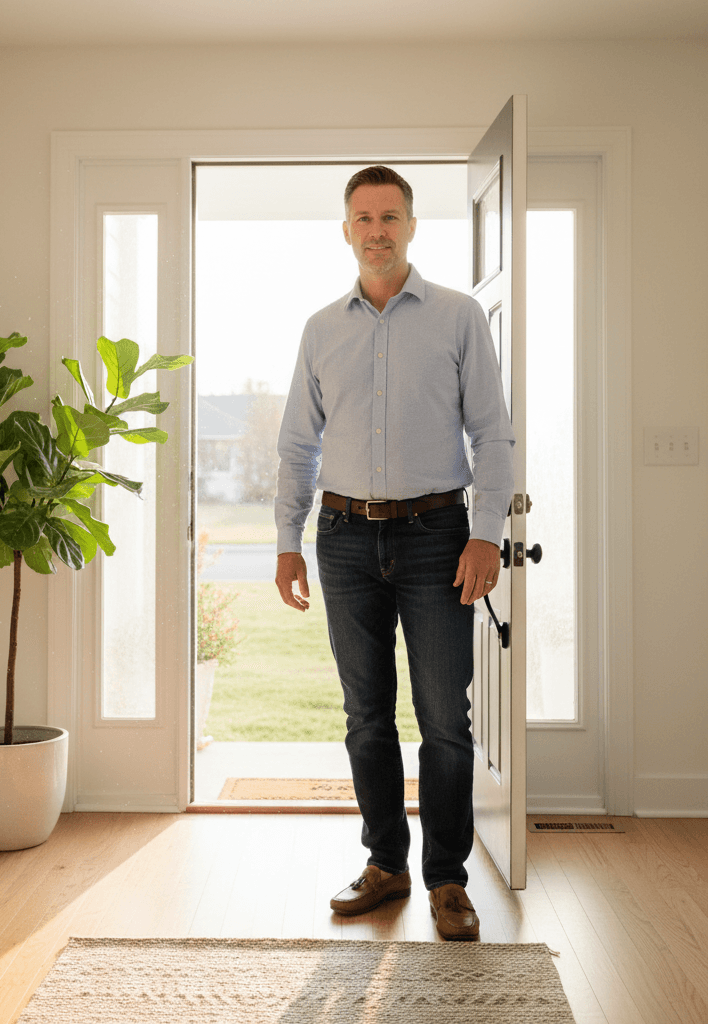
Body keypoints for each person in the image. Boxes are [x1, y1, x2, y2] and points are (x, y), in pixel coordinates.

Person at [274, 165, 514, 941]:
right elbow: (296, 447)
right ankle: (386, 864)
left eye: (390, 216)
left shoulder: (458, 317)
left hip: (437, 537)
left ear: (411, 226)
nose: (376, 230)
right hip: (343, 540)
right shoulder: (320, 328)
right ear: (346, 230)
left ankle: (448, 879)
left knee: (446, 718)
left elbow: (493, 432)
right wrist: (288, 541)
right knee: (366, 717)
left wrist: (486, 533)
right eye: (363, 217)